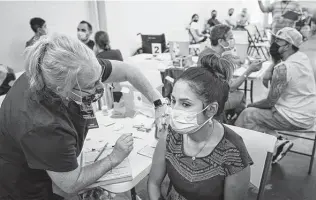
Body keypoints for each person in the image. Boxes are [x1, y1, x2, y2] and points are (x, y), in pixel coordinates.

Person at [0, 34, 168, 199]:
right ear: (62, 89)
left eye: (98, 78)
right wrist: (113, 158)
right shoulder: (42, 123)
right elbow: (70, 184)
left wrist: (158, 102)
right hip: (24, 183)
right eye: (91, 85)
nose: (100, 86)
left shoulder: (72, 68)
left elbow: (127, 71)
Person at [148, 66, 253, 200]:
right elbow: (153, 184)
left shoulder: (233, 153)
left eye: (185, 104)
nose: (174, 110)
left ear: (211, 109)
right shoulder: (171, 135)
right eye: (173, 101)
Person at [235, 27, 316, 164]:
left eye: (278, 40)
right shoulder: (301, 57)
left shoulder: (283, 68)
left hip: (293, 117)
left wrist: (250, 104)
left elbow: (270, 102)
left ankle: (238, 156)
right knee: (259, 115)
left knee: (247, 114)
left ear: (288, 46)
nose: (273, 43)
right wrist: (270, 67)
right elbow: (279, 64)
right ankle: (278, 142)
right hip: (307, 112)